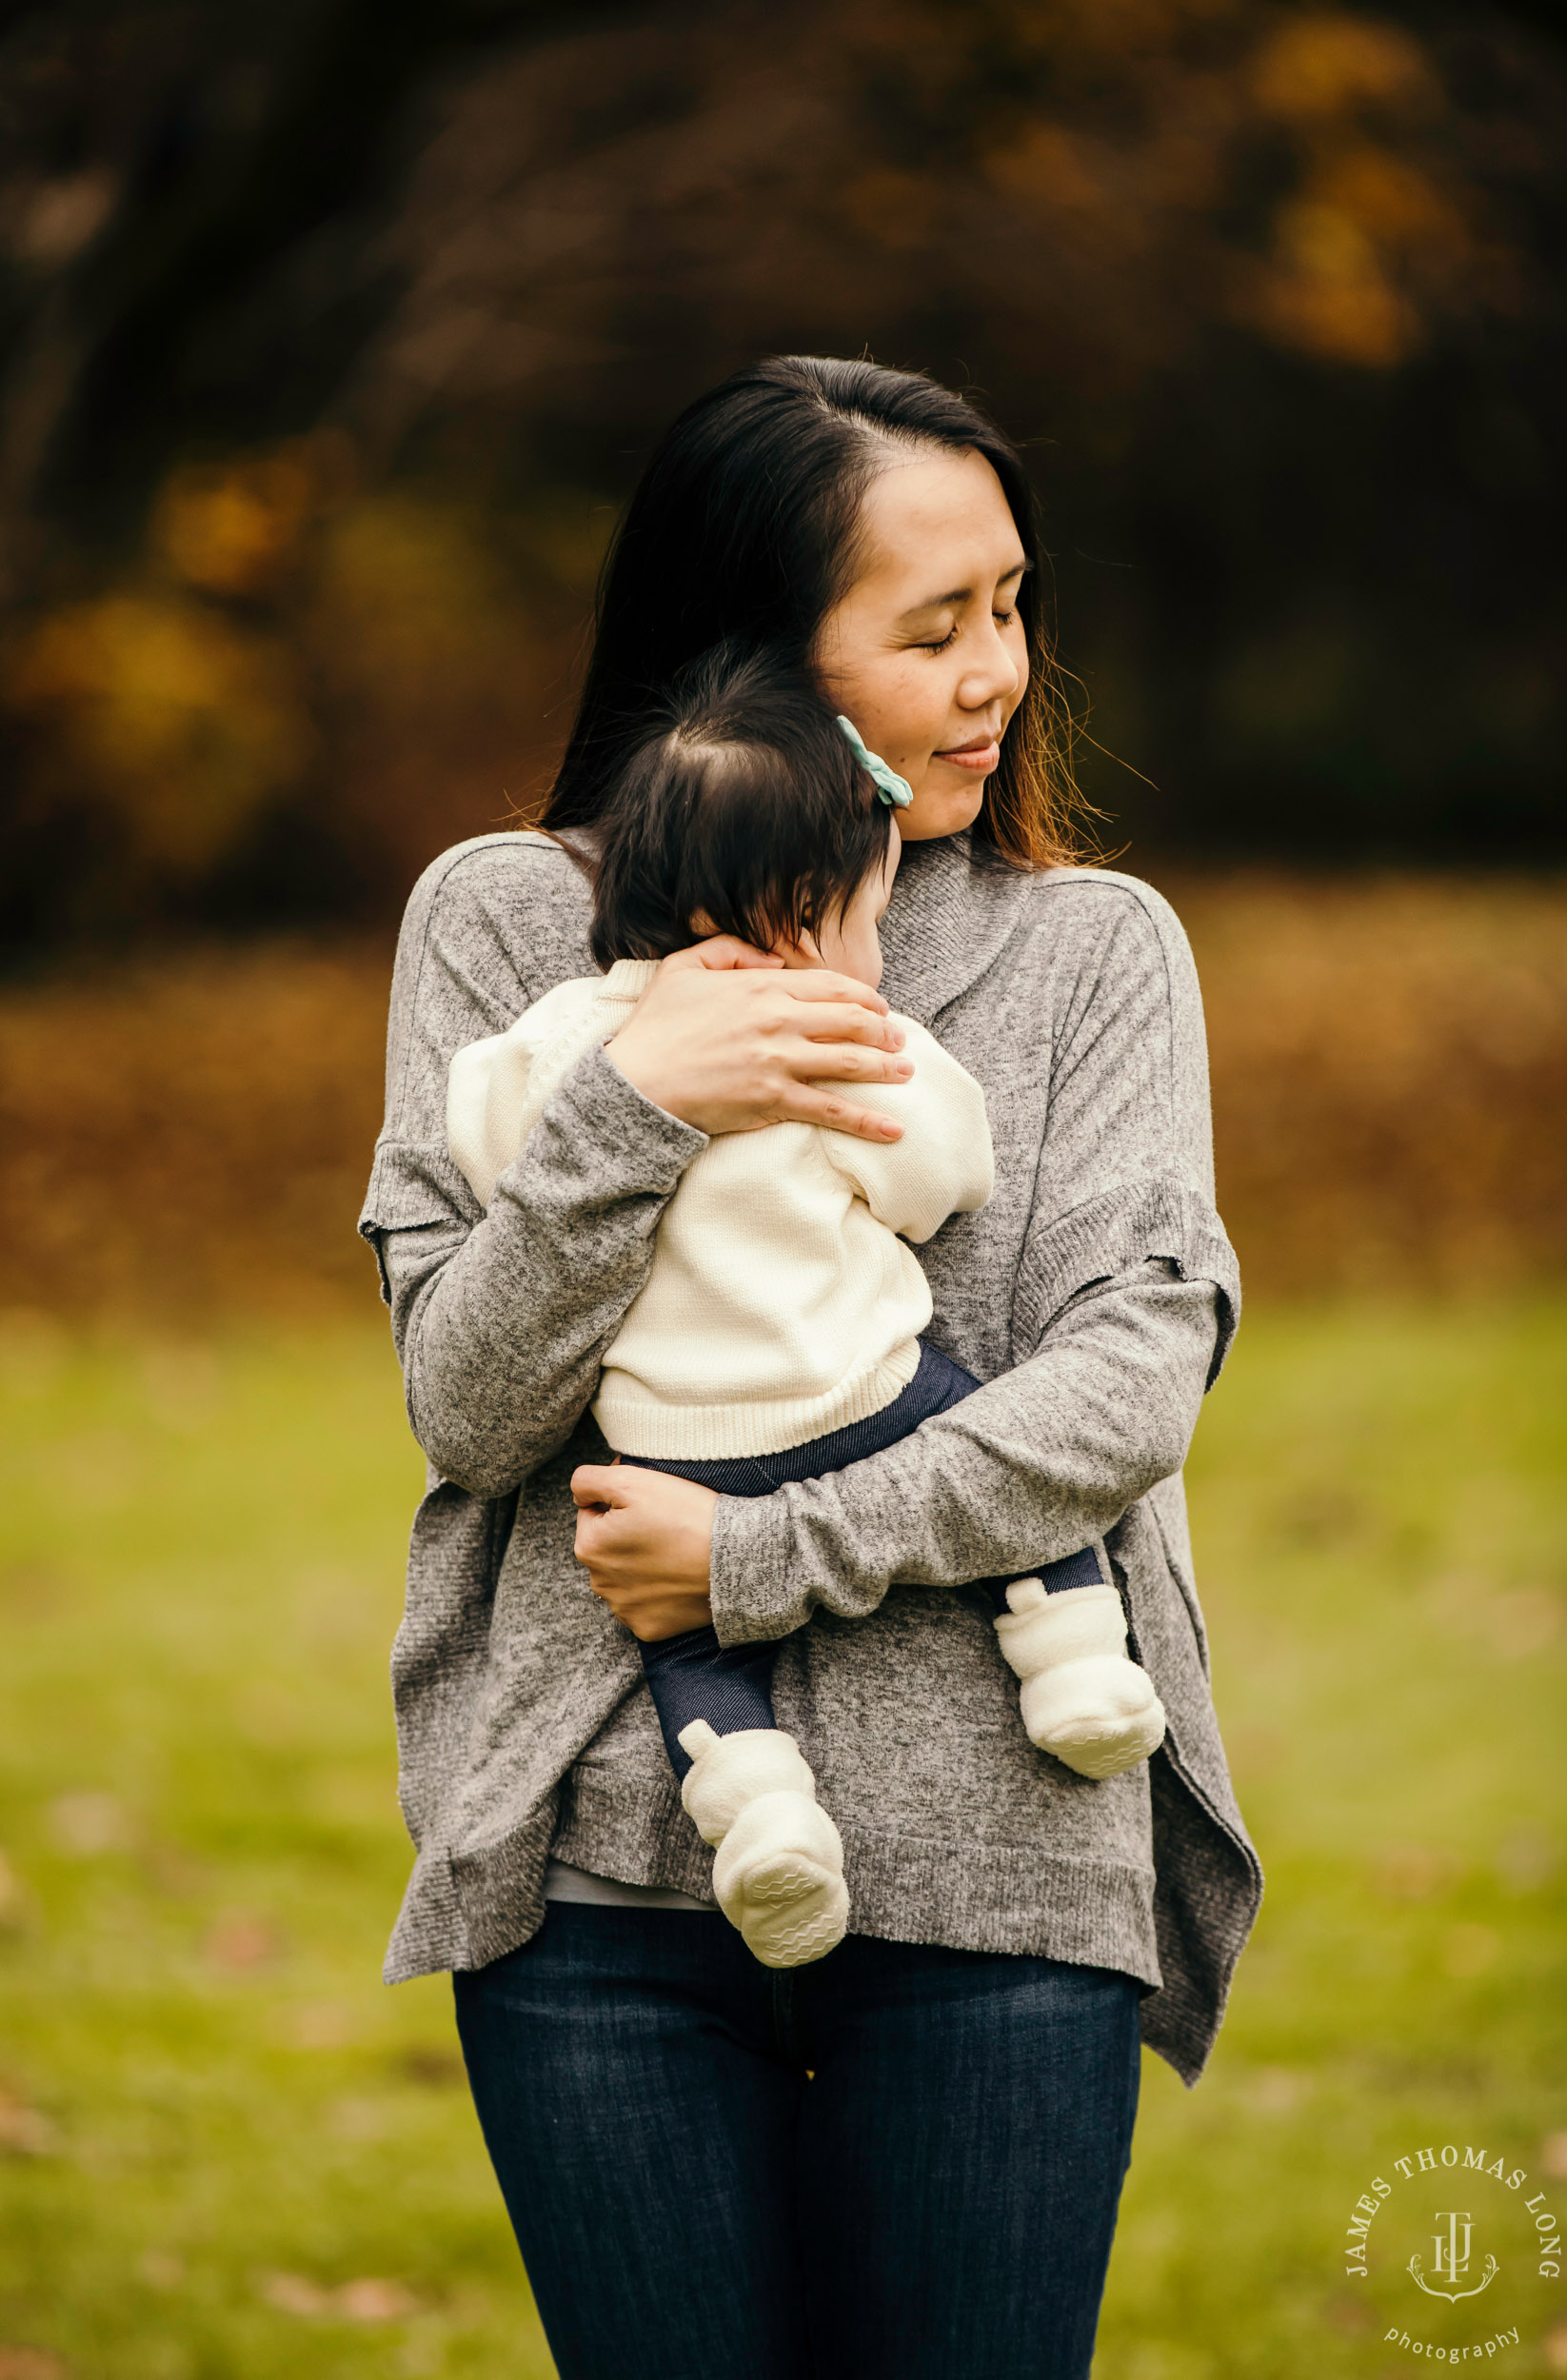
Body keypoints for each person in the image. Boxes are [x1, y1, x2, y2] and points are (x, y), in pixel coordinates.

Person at [361, 355, 1261, 2380]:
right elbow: (472, 1406)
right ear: (752, 664)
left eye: (1010, 604)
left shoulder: (1089, 950)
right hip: (603, 1887)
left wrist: (754, 1558)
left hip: (1008, 1871)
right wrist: (640, 1106)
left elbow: (1124, 1385)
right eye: (930, 627)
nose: (997, 672)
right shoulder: (507, 925)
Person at [443, 645, 1167, 1972]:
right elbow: (940, 1177)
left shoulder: (564, 1037)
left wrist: (613, 1095)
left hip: (664, 1447)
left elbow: (485, 1138)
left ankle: (758, 1813)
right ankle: (1069, 1654)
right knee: (991, 1437)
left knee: (683, 1637)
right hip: (860, 1399)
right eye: (868, 913)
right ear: (803, 913)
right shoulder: (839, 1033)